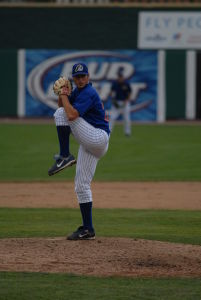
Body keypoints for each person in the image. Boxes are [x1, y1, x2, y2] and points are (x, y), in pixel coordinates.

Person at [48, 63, 110, 240]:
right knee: (81, 185)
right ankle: (88, 229)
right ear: (73, 78)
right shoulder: (78, 92)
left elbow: (71, 115)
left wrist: (65, 97)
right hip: (92, 143)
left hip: (97, 137)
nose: (81, 79)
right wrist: (63, 94)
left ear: (88, 77)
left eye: (83, 76)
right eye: (77, 77)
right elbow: (63, 103)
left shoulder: (89, 92)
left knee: (61, 115)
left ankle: (65, 155)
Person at [109, 68, 132, 136]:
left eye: (121, 77)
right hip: (117, 102)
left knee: (127, 118)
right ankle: (109, 131)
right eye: (119, 77)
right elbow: (111, 92)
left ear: (123, 77)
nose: (120, 78)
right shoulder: (115, 83)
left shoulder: (126, 84)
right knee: (112, 117)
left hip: (125, 103)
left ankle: (127, 132)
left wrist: (126, 101)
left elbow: (129, 93)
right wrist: (113, 100)